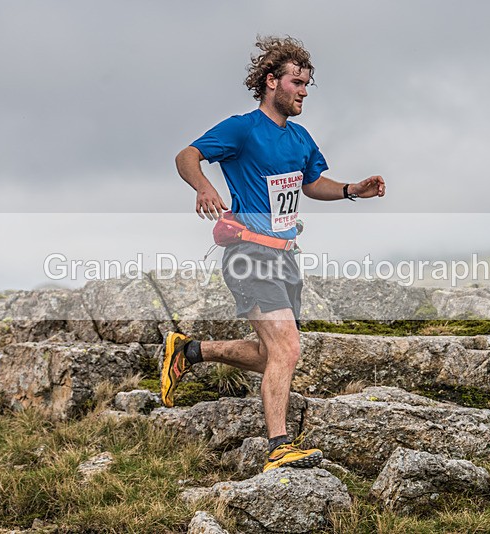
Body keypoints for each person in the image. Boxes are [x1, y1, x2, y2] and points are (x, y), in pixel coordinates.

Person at [163, 35, 386, 472]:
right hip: (249, 253)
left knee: (274, 355)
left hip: (286, 257)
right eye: (296, 82)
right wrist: (205, 187)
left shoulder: (300, 138)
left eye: (307, 84)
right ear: (271, 82)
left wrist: (350, 190)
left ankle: (189, 352)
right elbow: (186, 155)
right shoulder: (242, 128)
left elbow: (310, 184)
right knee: (286, 348)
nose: (303, 91)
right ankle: (278, 447)